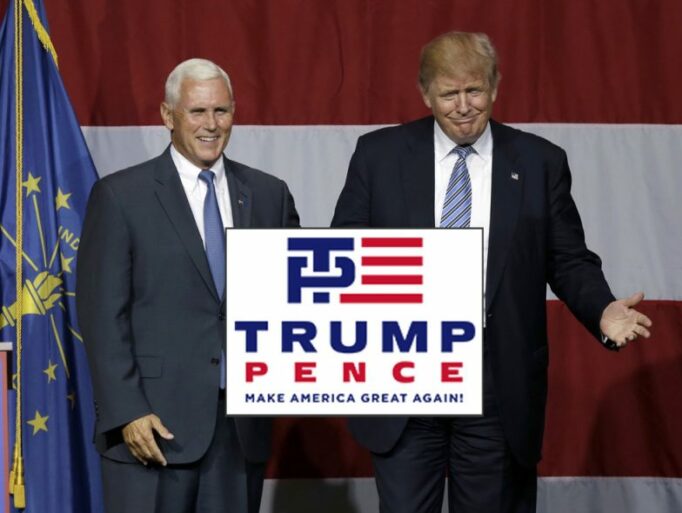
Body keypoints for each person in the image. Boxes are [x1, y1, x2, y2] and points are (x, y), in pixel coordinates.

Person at [331, 32, 652, 513]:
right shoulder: (379, 156)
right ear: (425, 94)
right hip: (403, 373)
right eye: (448, 94)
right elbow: (342, 255)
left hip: (495, 382)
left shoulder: (539, 161)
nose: (463, 106)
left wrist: (601, 308)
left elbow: (567, 258)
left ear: (495, 87)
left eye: (474, 90)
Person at [77, 58, 299, 513]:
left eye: (221, 111)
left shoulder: (268, 194)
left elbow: (294, 297)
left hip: (239, 428)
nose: (211, 125)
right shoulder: (121, 196)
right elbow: (102, 315)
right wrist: (127, 411)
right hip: (152, 426)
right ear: (167, 116)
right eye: (197, 112)